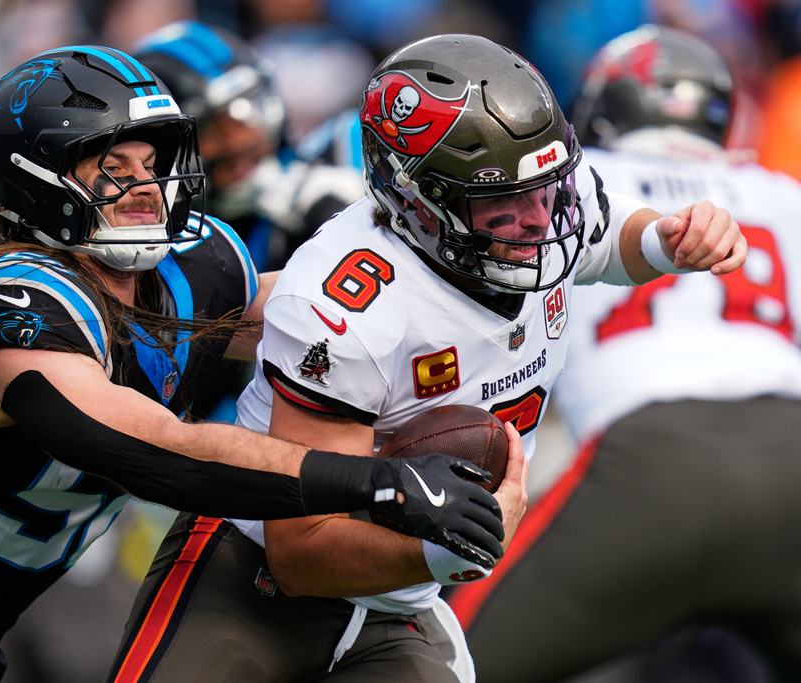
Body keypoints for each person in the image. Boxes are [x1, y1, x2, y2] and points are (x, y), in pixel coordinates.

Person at [0, 45, 510, 683]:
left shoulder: (191, 272)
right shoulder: (16, 310)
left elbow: (323, 316)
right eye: (111, 165)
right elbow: (163, 451)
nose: (146, 186)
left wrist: (470, 263)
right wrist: (382, 482)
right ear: (36, 178)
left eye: (153, 163)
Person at [106, 33, 746, 683]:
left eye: (545, 192)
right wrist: (450, 553)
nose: (534, 221)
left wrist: (666, 241)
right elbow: (300, 552)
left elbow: (606, 242)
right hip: (252, 576)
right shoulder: (348, 300)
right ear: (418, 200)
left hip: (399, 611)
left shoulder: (545, 196)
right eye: (500, 204)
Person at [449, 25, 801, 683]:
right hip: (791, 456)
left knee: (448, 668)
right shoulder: (781, 194)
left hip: (647, 465)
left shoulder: (566, 182)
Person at [132, 20, 367, 423]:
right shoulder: (161, 241)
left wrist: (343, 210)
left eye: (248, 109)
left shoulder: (346, 148)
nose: (242, 138)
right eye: (210, 127)